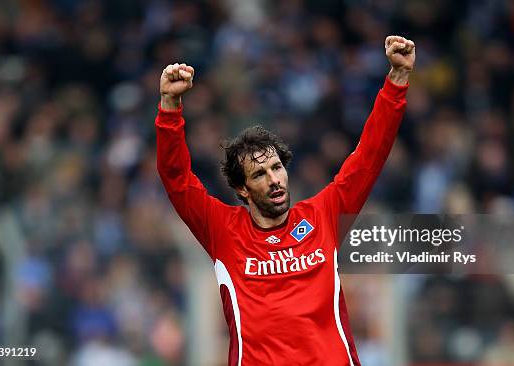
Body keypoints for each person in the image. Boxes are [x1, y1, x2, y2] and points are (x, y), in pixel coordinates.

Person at [155, 35, 415, 366]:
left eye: (277, 167)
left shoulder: (323, 214)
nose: (274, 179)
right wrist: (169, 107)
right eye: (260, 174)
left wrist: (397, 80)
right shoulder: (222, 230)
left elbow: (369, 156)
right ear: (243, 189)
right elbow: (176, 178)